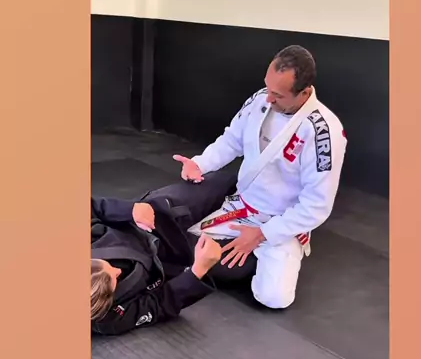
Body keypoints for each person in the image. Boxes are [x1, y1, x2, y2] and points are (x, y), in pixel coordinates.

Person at [173, 45, 347, 310]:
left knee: (274, 299)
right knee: (184, 248)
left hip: (281, 221)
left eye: (278, 95)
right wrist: (200, 163)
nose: (269, 99)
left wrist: (264, 234)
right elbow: (232, 140)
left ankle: (267, 255)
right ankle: (246, 257)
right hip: (243, 207)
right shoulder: (260, 100)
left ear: (304, 92)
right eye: (268, 88)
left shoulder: (324, 133)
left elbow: (316, 205)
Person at [91, 167, 238, 335]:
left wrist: (128, 209)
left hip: (148, 219)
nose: (118, 270)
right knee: (243, 262)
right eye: (115, 279)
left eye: (108, 265)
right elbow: (158, 304)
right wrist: (198, 271)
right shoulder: (107, 319)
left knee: (226, 181)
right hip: (174, 259)